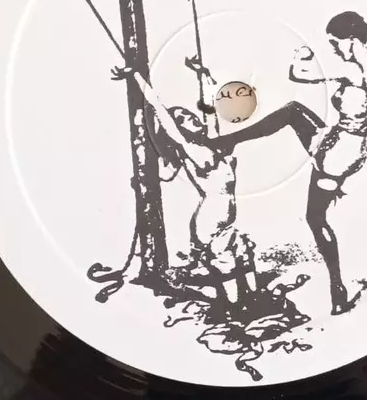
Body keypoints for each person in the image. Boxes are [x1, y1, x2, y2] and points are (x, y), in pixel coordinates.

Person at [214, 0, 367, 315]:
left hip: (337, 152)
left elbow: (298, 77)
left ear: (350, 40)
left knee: (315, 215)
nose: (333, 48)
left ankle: (338, 291)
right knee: (296, 121)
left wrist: (299, 57)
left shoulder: (353, 72)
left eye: (335, 42)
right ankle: (337, 293)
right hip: (351, 148)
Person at [111, 61, 258, 312]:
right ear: (178, 129)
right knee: (226, 261)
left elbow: (210, 111)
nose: (189, 117)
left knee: (241, 254)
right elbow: (159, 110)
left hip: (224, 216)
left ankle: (253, 301)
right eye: (182, 119)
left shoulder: (211, 143)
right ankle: (235, 309)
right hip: (211, 218)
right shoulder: (192, 149)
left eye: (188, 114)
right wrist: (136, 75)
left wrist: (203, 75)